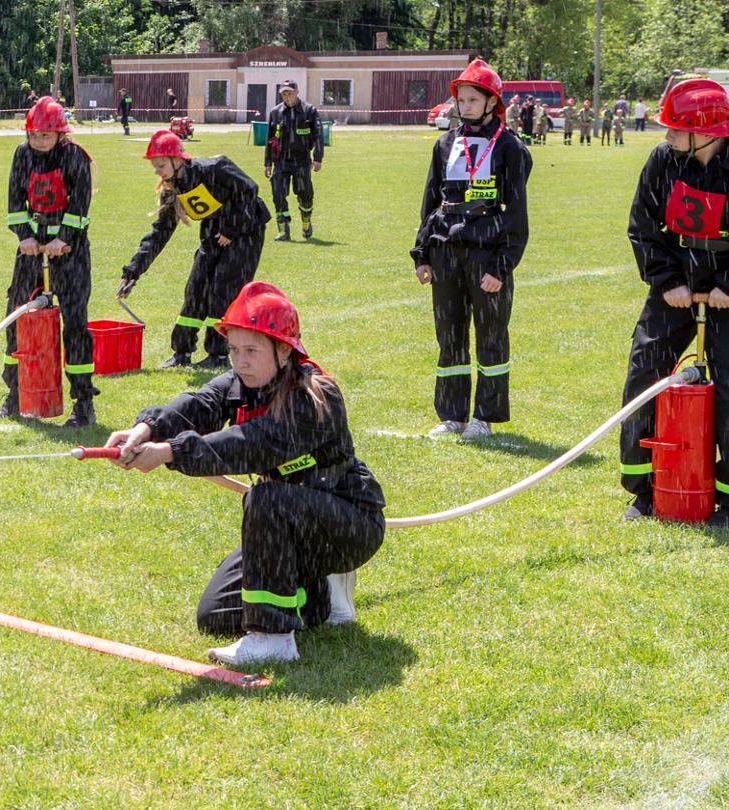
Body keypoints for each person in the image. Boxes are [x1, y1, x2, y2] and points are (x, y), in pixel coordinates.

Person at [103, 281, 385, 665]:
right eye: (234, 349)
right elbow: (198, 404)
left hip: (348, 523)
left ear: (284, 349)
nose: (240, 361)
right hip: (285, 525)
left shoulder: (316, 398)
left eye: (251, 350)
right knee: (216, 615)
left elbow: (251, 443)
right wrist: (147, 429)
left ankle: (273, 638)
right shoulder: (241, 383)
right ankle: (316, 597)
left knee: (265, 497)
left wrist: (170, 453)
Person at [618, 78, 729, 524]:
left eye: (674, 128)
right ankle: (643, 491)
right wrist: (667, 281)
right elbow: (642, 226)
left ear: (706, 131)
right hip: (675, 284)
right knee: (645, 374)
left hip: (726, 289)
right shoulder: (663, 161)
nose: (665, 136)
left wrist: (726, 283)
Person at [409, 59, 530, 439]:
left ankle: (485, 417)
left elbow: (517, 215)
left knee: (491, 336)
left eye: (474, 99)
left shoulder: (509, 148)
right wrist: (422, 253)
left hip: (487, 256)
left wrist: (502, 265)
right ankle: (452, 416)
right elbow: (430, 201)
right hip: (446, 253)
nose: (466, 105)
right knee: (450, 335)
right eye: (461, 99)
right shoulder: (445, 143)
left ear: (492, 102)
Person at [119, 131, 271, 369]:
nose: (157, 171)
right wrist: (132, 272)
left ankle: (218, 355)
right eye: (154, 166)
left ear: (177, 160)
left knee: (223, 290)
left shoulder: (214, 167)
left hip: (246, 231)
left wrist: (231, 229)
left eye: (160, 165)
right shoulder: (172, 191)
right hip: (214, 231)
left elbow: (250, 189)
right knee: (195, 287)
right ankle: (181, 352)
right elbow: (160, 234)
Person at [0, 97, 98, 427]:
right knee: (18, 317)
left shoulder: (74, 157)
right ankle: (15, 394)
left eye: (45, 135)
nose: (39, 141)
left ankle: (82, 403)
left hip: (70, 254)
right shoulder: (22, 154)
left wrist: (62, 239)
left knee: (75, 324)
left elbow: (80, 206)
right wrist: (24, 234)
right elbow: (14, 200)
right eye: (34, 135)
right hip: (30, 252)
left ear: (60, 134)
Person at [263, 79, 324, 242]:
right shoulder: (275, 112)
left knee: (305, 195)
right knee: (278, 194)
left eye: (289, 92)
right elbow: (270, 139)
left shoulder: (309, 111)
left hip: (302, 160)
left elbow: (318, 135)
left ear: (297, 92)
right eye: (284, 93)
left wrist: (318, 158)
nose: (287, 96)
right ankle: (283, 230)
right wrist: (267, 163)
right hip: (281, 161)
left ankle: (306, 223)